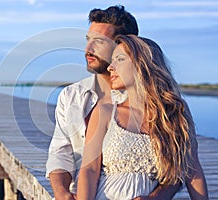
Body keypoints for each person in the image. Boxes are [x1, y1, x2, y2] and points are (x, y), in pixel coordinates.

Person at [46, 5, 182, 200]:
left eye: (99, 42)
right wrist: (61, 193)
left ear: (125, 44)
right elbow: (60, 152)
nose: (88, 49)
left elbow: (179, 167)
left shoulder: (158, 104)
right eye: (88, 40)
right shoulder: (71, 96)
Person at [76, 34, 208, 199]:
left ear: (142, 64)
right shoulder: (105, 111)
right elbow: (89, 170)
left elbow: (191, 170)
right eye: (112, 59)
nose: (111, 67)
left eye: (120, 59)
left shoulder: (175, 112)